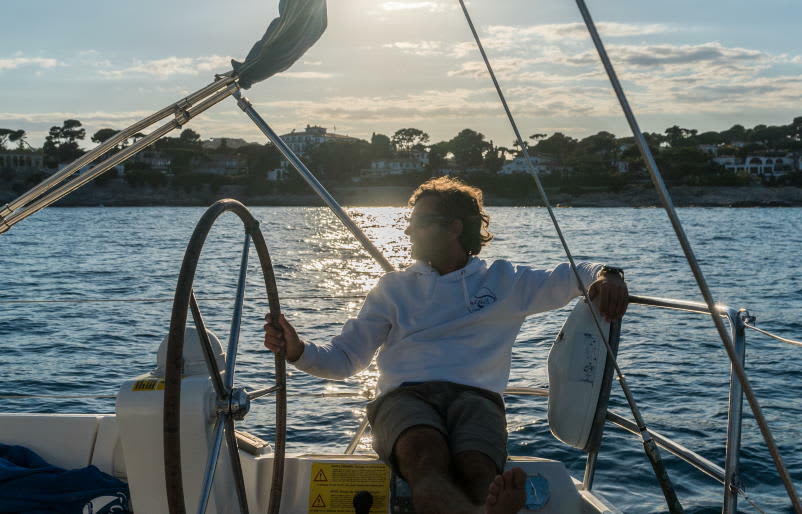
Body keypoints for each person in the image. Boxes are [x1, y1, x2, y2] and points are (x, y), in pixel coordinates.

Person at [264, 176, 629, 514]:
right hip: (405, 398)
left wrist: (608, 275)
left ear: (454, 227)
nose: (407, 229)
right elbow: (345, 359)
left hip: (477, 398)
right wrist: (297, 349)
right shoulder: (393, 288)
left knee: (478, 467)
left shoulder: (505, 280)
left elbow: (576, 273)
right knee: (425, 458)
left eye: (420, 221)